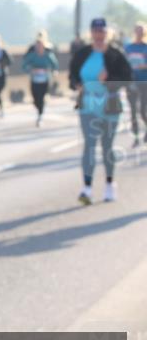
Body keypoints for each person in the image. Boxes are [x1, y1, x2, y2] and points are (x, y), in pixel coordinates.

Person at [69, 18, 132, 204]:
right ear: (91, 32)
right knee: (89, 144)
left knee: (107, 147)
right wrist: (77, 84)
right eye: (95, 30)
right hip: (87, 105)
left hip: (110, 106)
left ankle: (109, 184)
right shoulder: (83, 53)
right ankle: (87, 188)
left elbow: (127, 79)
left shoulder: (116, 55)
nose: (99, 34)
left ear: (107, 33)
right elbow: (72, 75)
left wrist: (109, 79)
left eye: (102, 31)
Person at [21, 31, 59, 127]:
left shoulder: (48, 54)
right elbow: (24, 65)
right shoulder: (32, 55)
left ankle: (40, 115)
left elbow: (55, 64)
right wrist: (31, 70)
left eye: (41, 45)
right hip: (34, 80)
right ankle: (39, 109)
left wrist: (54, 71)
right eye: (37, 45)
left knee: (41, 97)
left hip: (45, 80)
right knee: (35, 98)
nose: (39, 47)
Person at [124, 22, 147, 147]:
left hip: (144, 82)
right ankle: (136, 136)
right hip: (131, 82)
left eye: (141, 31)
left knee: (142, 110)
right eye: (137, 31)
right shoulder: (128, 48)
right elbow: (123, 64)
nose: (139, 33)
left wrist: (143, 66)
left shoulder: (146, 47)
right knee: (133, 111)